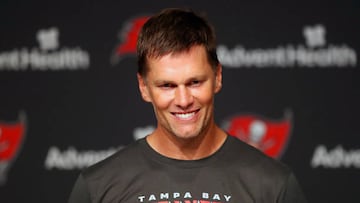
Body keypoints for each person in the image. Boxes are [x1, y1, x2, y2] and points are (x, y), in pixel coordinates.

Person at [68, 8, 307, 203]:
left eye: (194, 82)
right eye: (167, 86)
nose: (183, 101)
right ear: (143, 87)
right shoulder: (98, 187)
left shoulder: (272, 185)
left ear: (218, 77)